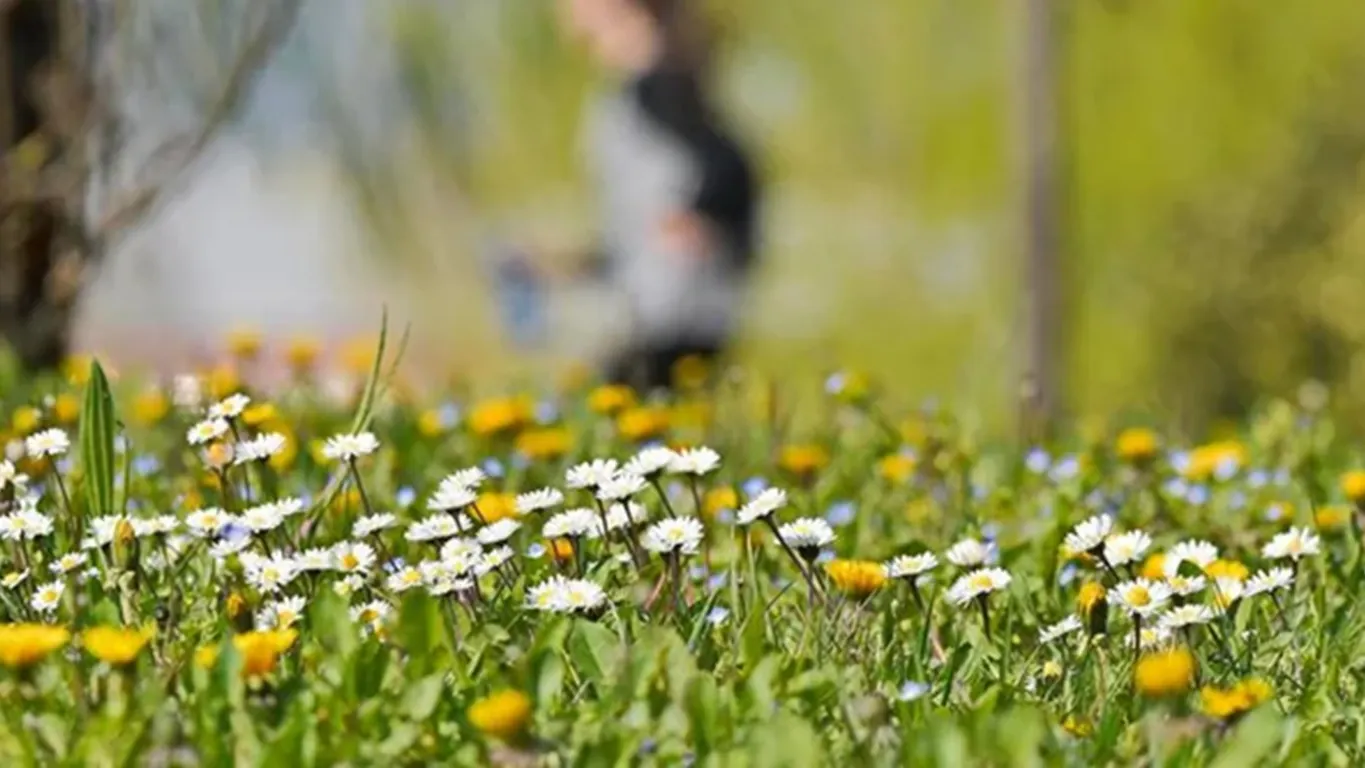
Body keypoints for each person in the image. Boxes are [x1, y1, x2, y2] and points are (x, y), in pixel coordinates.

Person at [556, 0, 760, 393]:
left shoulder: (656, 88)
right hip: (660, 298)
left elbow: (725, 165)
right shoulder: (654, 85)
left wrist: (700, 212)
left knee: (616, 405)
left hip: (673, 304)